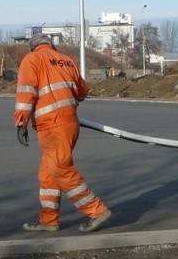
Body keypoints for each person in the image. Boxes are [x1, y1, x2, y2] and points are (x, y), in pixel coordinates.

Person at [14, 33, 112, 232]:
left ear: (33, 47)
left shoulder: (32, 60)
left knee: (60, 169)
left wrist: (21, 122)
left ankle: (96, 211)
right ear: (50, 45)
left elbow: (26, 92)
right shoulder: (66, 61)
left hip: (52, 125)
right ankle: (49, 220)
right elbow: (83, 91)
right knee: (48, 173)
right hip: (69, 123)